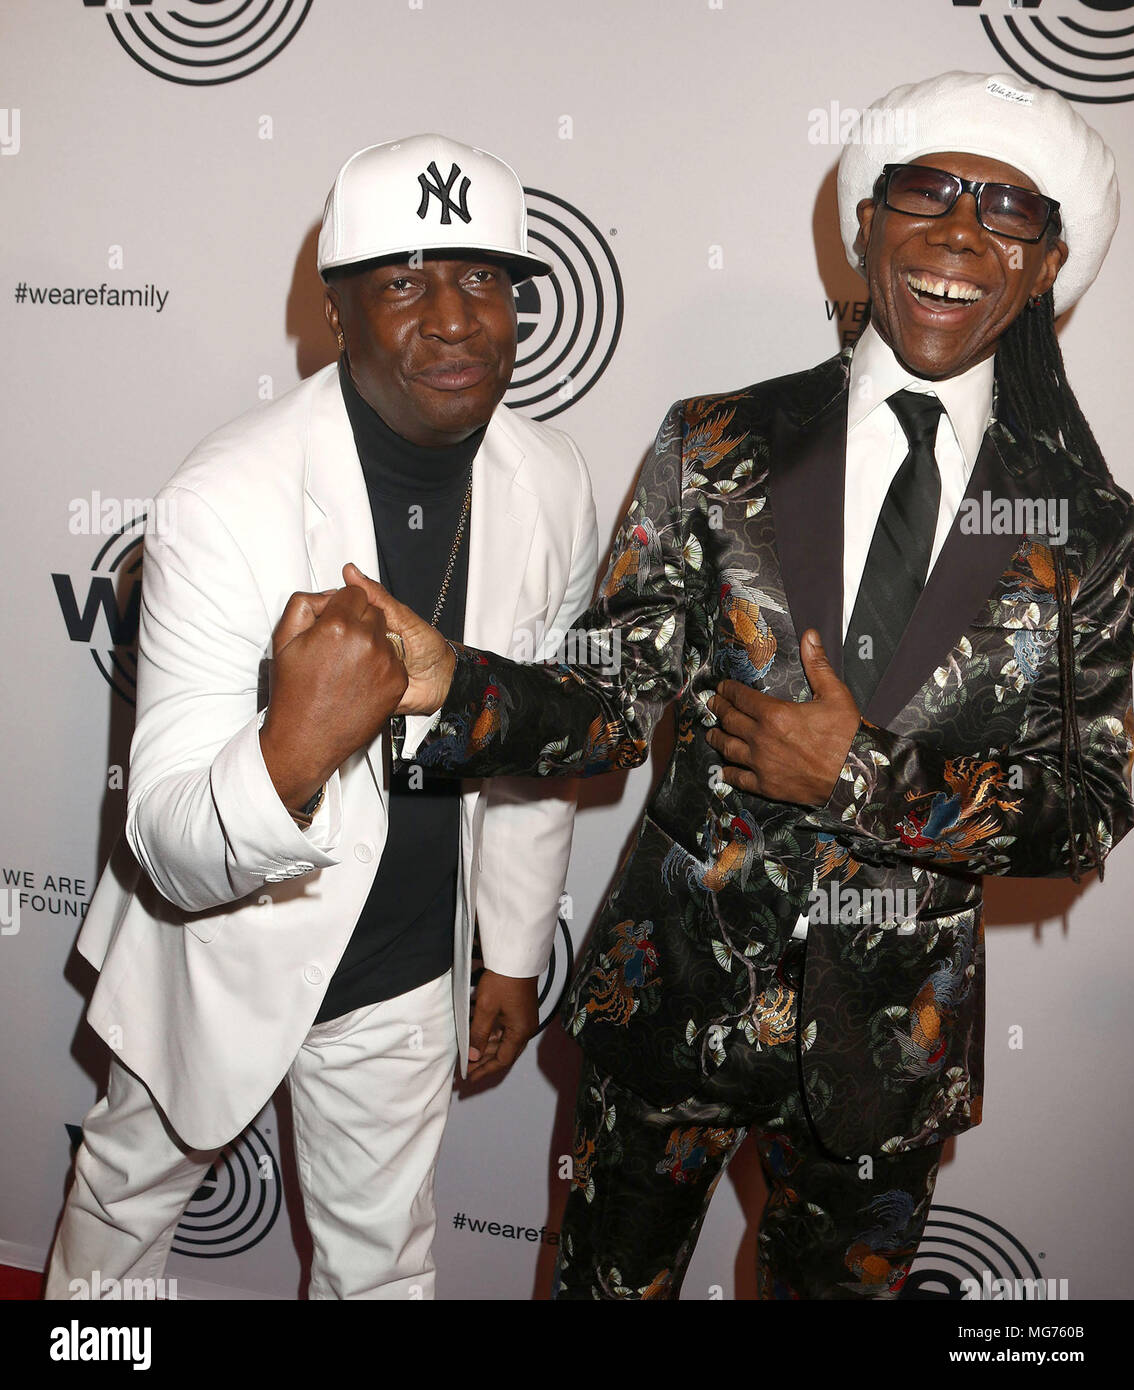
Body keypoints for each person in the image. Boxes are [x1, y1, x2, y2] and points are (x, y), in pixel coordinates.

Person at [365, 74, 1134, 1299]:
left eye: (1005, 211)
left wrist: (863, 779)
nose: (957, 233)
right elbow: (613, 692)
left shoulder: (1088, 527)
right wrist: (446, 682)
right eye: (926, 194)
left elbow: (1092, 801)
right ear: (865, 226)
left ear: (1044, 266)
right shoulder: (716, 443)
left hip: (891, 1050)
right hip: (668, 997)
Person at [46, 134, 598, 1300]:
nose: (453, 318)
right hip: (216, 950)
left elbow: (533, 744)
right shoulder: (225, 498)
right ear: (336, 312)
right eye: (403, 281)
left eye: (485, 278)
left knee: (381, 1269)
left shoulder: (553, 482)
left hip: (406, 963)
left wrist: (507, 948)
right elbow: (166, 842)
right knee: (120, 1220)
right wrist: (293, 749)